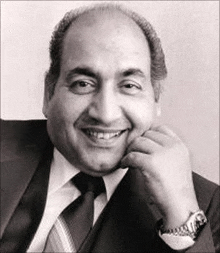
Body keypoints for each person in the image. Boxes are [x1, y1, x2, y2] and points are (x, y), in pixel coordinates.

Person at [1, 3, 219, 253]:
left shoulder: (207, 207)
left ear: (155, 98)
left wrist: (182, 219)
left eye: (128, 86)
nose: (105, 114)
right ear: (48, 94)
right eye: (83, 84)